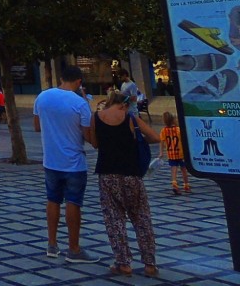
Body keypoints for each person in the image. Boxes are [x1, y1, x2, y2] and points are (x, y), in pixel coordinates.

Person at [91, 90, 160, 277]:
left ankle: (123, 263)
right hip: (132, 174)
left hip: (107, 174)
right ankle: (150, 264)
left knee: (114, 220)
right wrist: (137, 140)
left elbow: (95, 143)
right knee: (142, 218)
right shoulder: (131, 118)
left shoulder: (96, 117)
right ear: (125, 104)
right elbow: (155, 137)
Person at [33, 65, 95, 263]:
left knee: (52, 200)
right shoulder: (80, 103)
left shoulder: (42, 97)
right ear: (78, 82)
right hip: (74, 162)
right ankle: (74, 249)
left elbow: (36, 126)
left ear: (61, 78)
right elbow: (89, 136)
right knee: (73, 202)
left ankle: (52, 244)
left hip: (50, 160)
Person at [159, 111, 189, 195]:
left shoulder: (163, 131)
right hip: (181, 153)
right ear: (173, 120)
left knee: (173, 169)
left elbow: (161, 142)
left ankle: (174, 184)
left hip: (171, 153)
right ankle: (186, 185)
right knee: (184, 170)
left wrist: (161, 152)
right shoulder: (178, 129)